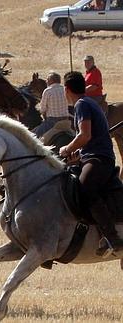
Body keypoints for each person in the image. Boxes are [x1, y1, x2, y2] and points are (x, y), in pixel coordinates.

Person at [59, 71, 123, 256]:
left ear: (66, 90)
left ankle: (111, 237)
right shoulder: (88, 103)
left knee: (83, 188)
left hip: (99, 159)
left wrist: (67, 149)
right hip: (91, 156)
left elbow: (84, 135)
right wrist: (78, 155)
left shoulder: (81, 105)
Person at [33, 72, 70, 137]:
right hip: (66, 120)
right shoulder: (65, 89)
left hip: (52, 122)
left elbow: (43, 109)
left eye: (47, 79)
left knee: (33, 135)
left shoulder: (48, 91)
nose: (46, 81)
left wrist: (44, 117)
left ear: (51, 80)